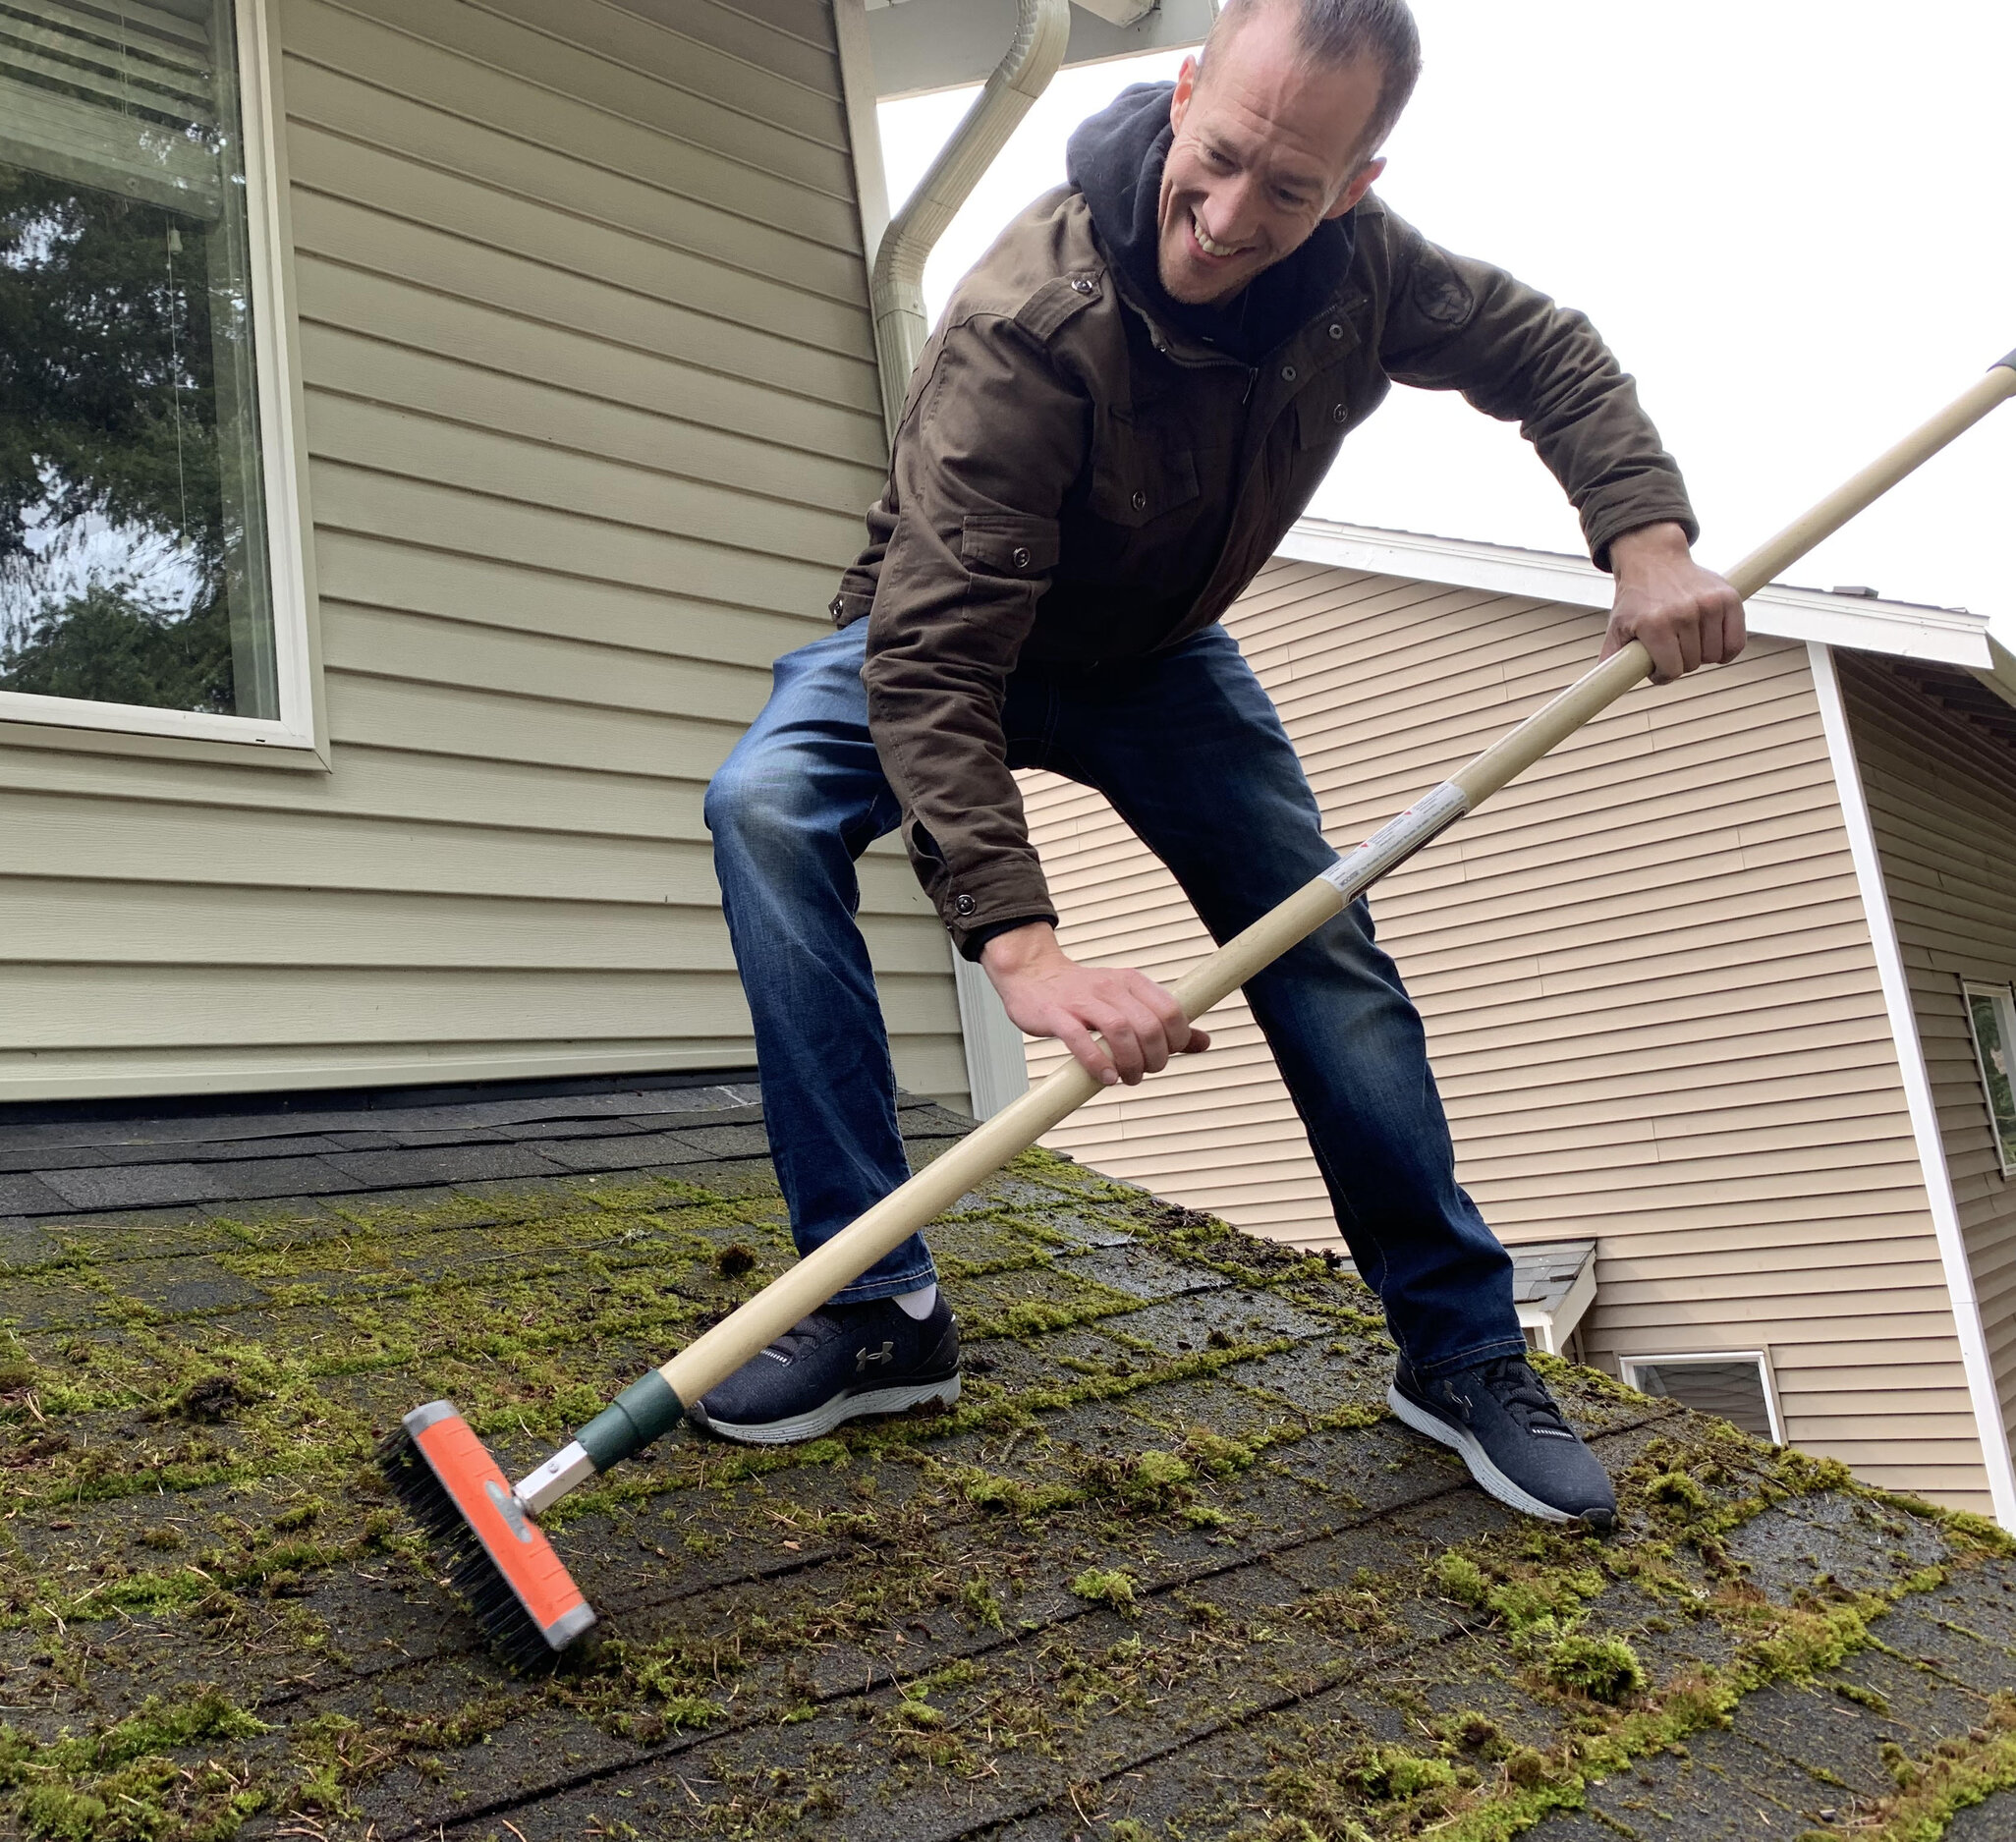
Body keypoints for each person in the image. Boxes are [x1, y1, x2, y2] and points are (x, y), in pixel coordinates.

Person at [695, 0, 1744, 1531]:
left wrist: (1645, 539)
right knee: (765, 809)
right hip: (945, 629)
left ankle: (1456, 1348)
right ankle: (875, 1307)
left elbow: (1546, 352)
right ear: (1183, 94)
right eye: (1224, 158)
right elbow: (935, 666)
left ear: (1358, 188)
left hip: (1159, 661)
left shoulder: (1365, 278)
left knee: (1321, 940)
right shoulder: (1027, 324)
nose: (1232, 218)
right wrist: (1026, 946)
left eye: (1293, 190)